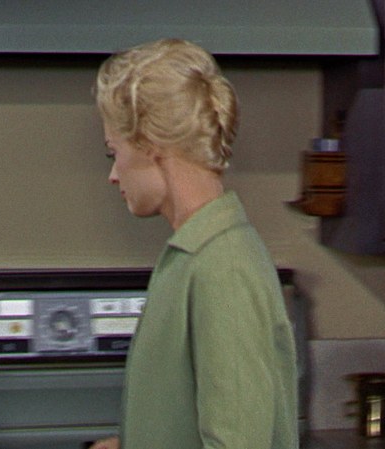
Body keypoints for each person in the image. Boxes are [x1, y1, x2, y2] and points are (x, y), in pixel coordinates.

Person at [91, 38, 298, 449]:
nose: (113, 175)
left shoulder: (223, 268)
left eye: (114, 152)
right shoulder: (194, 255)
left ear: (150, 146)